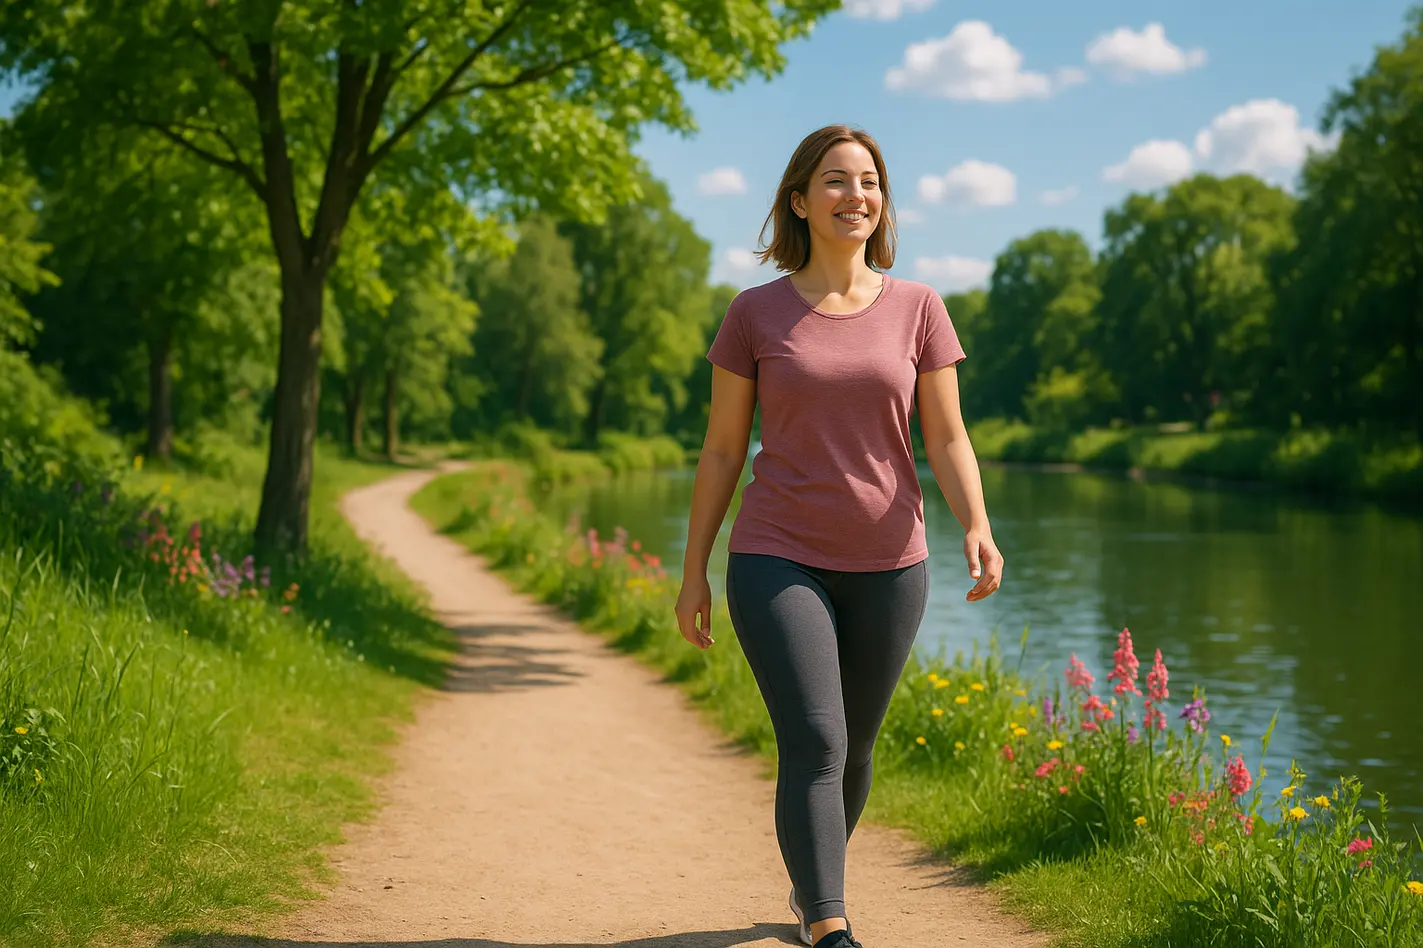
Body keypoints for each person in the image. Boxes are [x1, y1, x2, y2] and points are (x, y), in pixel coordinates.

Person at [673, 124, 1004, 948]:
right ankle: (829, 924)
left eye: (868, 181)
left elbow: (949, 437)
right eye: (834, 180)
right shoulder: (754, 315)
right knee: (816, 737)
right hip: (775, 553)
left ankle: (809, 888)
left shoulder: (919, 307)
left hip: (891, 562)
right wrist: (693, 573)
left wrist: (977, 524)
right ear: (798, 200)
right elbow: (721, 450)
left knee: (852, 750)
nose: (855, 195)